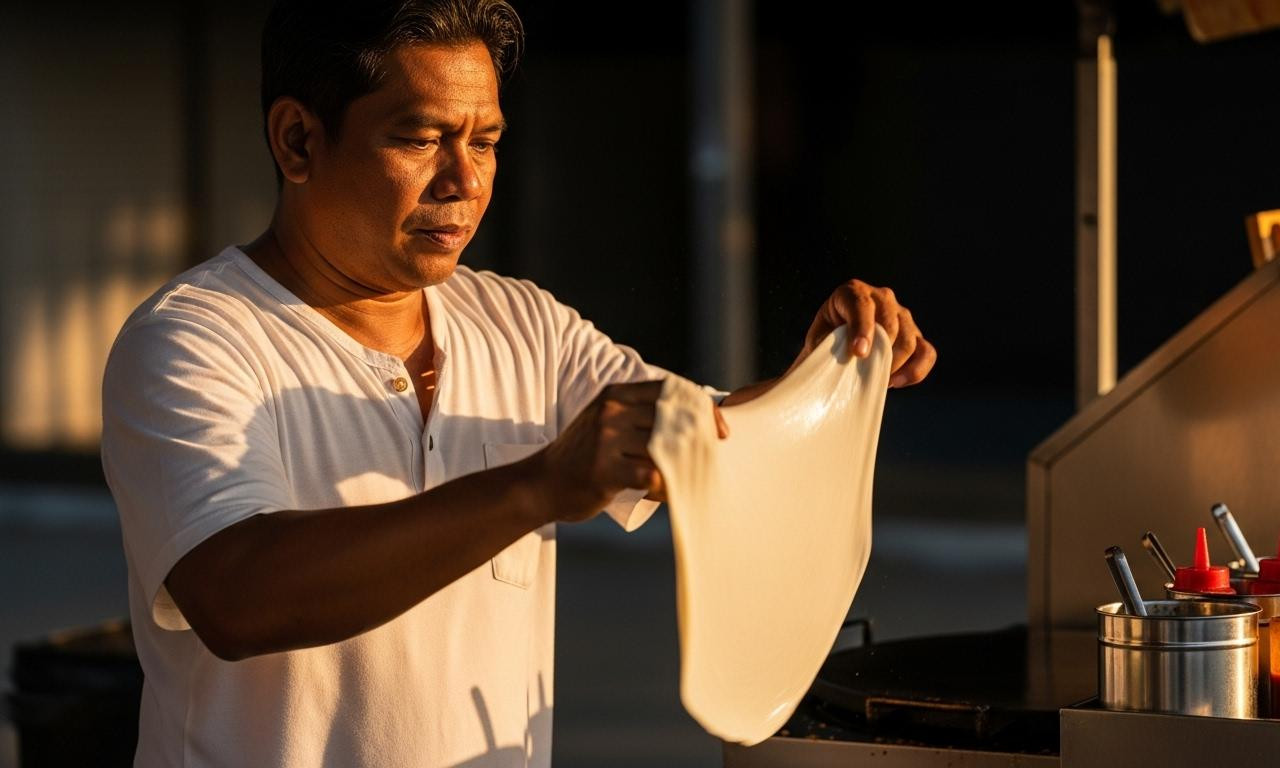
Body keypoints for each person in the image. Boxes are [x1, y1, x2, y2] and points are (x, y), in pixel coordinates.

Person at [100, 1, 937, 766]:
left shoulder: (521, 323)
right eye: (422, 138)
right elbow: (239, 597)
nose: (464, 181)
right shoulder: (193, 340)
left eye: (486, 141)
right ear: (298, 141)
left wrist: (820, 376)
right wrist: (539, 486)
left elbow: (703, 438)